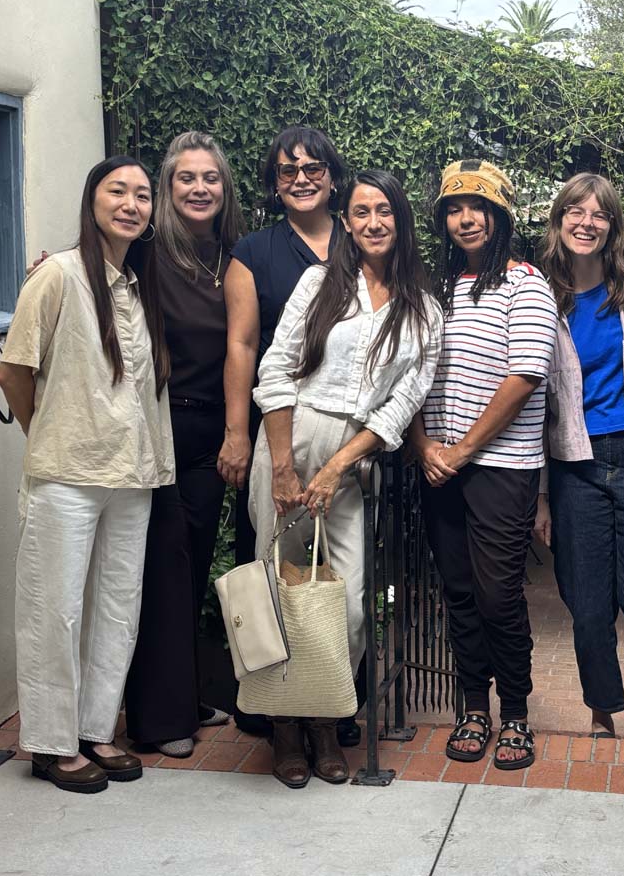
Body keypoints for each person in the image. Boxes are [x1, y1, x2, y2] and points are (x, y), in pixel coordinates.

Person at [247, 169, 442, 788]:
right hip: (293, 432)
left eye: (384, 210)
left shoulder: (425, 308)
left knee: (353, 603)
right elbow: (275, 368)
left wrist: (336, 468)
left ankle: (326, 719)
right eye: (361, 212)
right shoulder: (317, 284)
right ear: (348, 223)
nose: (373, 222)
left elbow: (400, 405)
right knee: (280, 592)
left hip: (355, 458)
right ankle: (285, 729)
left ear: (400, 219)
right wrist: (283, 465)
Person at [0, 156, 174, 793]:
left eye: (142, 195)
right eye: (117, 191)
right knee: (55, 610)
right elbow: (14, 371)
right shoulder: (57, 277)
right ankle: (50, 743)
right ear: (92, 200)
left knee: (116, 608)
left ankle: (96, 729)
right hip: (66, 476)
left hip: (132, 476)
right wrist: (48, 433)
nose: (131, 203)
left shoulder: (139, 282)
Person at [410, 160, 558, 771]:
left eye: (478, 207)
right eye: (453, 208)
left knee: (499, 595)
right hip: (437, 463)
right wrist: (422, 445)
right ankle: (474, 708)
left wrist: (463, 449)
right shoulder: (433, 289)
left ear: (500, 215)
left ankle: (516, 713)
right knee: (459, 592)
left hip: (501, 465)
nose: (465, 218)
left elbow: (525, 375)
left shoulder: (526, 284)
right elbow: (406, 373)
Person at [216, 126, 352, 740]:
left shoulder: (361, 240)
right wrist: (236, 433)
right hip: (276, 433)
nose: (300, 178)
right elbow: (243, 344)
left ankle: (331, 701)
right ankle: (276, 711)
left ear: (331, 175)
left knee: (335, 581)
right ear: (274, 183)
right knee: (273, 570)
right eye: (287, 170)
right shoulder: (253, 252)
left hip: (343, 440)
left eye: (312, 167)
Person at [532, 173, 624, 743]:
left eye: (599, 214)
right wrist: (541, 494)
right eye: (575, 212)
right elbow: (533, 404)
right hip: (573, 465)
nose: (586, 223)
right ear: (559, 218)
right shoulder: (540, 294)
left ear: (613, 225)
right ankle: (601, 711)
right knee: (587, 604)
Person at [122, 132, 246, 757]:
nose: (200, 189)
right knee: (166, 571)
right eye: (186, 179)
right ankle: (158, 720)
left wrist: (235, 432)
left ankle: (182, 694)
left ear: (225, 188)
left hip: (215, 435)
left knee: (193, 566)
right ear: (169, 189)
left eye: (211, 179)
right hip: (165, 429)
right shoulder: (148, 253)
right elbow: (92, 267)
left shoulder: (231, 255)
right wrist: (48, 266)